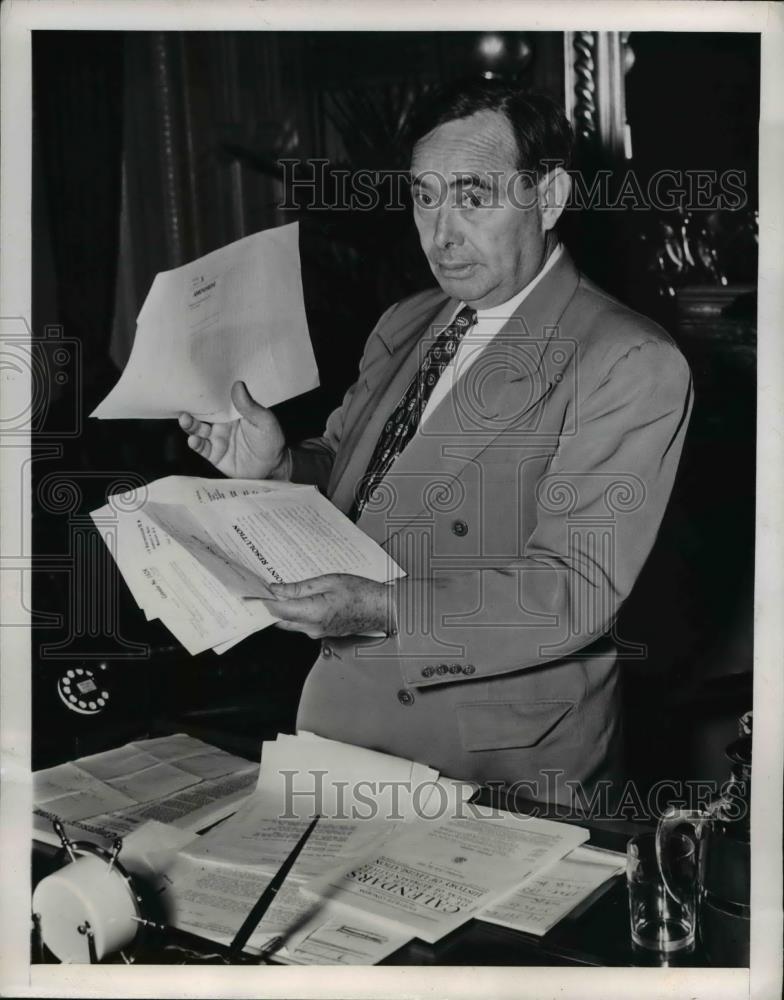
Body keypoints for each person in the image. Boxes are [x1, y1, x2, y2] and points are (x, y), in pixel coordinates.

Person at [178, 79, 693, 807]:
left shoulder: (626, 359)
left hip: (496, 765)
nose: (441, 233)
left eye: (474, 197)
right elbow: (361, 483)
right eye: (425, 196)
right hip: (345, 730)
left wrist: (385, 610)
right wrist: (282, 465)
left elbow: (571, 594)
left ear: (549, 198)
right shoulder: (409, 320)